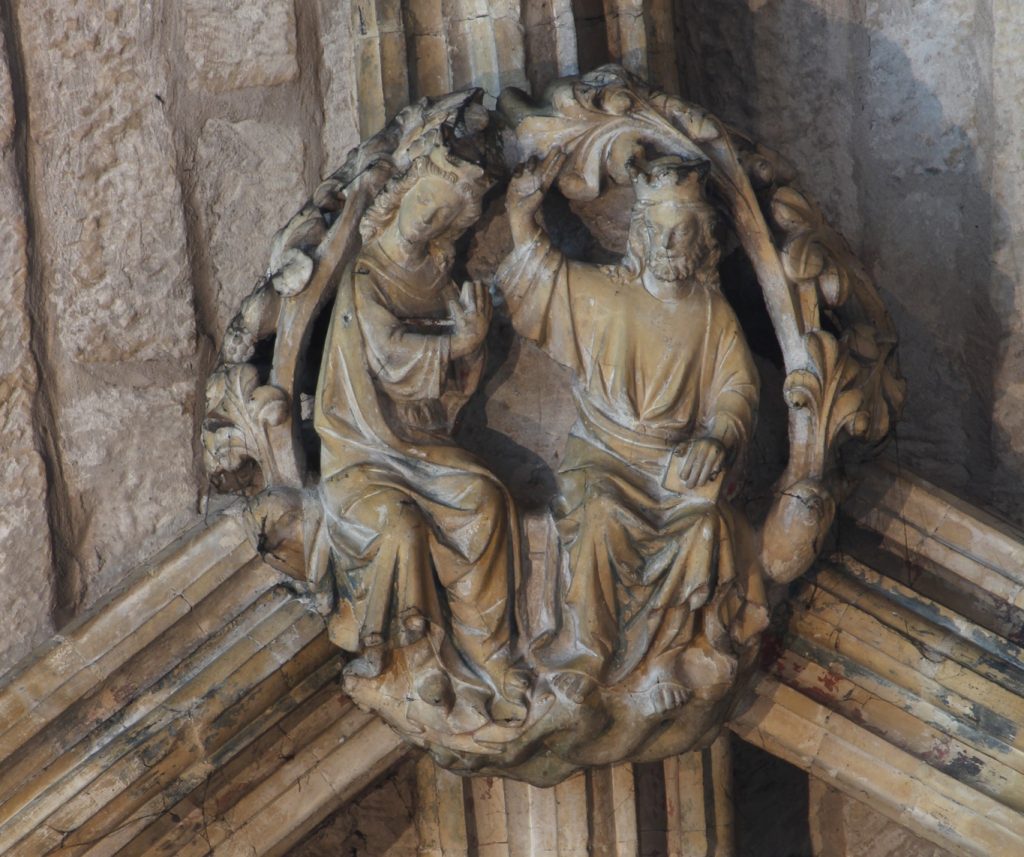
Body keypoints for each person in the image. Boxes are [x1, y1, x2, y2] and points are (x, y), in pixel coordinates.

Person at [498, 150, 767, 715]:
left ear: (702, 240)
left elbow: (736, 392)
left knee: (702, 531)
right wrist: (521, 216)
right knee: (599, 517)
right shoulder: (605, 294)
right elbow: (539, 280)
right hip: (602, 458)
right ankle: (587, 653)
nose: (670, 247)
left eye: (682, 233)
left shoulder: (713, 314)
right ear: (640, 235)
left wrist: (715, 438)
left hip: (672, 471)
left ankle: (664, 660)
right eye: (659, 233)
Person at [314, 140, 527, 721]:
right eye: (423, 204)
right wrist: (457, 342)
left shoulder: (436, 276)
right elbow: (386, 356)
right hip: (363, 449)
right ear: (401, 197)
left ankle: (491, 648)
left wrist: (472, 347)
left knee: (485, 500)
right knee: (402, 528)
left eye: (441, 214)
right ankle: (420, 656)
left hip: (422, 444)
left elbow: (450, 384)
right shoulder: (366, 274)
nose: (427, 220)